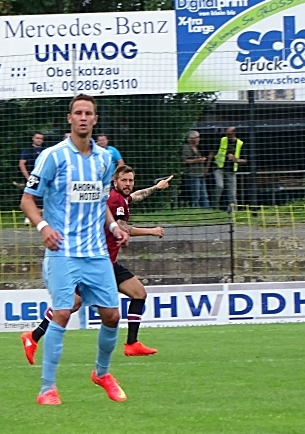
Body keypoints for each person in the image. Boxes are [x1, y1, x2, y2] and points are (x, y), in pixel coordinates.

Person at [20, 94, 129, 406]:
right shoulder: (53, 157)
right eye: (78, 112)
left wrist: (113, 227)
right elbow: (27, 200)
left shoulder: (105, 159)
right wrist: (43, 227)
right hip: (63, 251)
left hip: (95, 252)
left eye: (89, 113)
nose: (83, 117)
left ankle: (102, 373)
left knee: (111, 315)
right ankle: (47, 389)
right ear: (70, 119)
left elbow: (100, 202)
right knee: (64, 313)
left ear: (95, 120)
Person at [21, 166, 171, 362]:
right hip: (96, 264)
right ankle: (32, 337)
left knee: (139, 293)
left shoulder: (120, 197)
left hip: (108, 263)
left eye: (131, 180)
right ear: (115, 182)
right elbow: (122, 227)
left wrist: (156, 187)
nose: (128, 184)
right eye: (124, 181)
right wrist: (151, 231)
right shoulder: (115, 200)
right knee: (72, 304)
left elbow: (135, 197)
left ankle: (132, 344)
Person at [212, 126, 245, 209]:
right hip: (219, 167)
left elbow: (245, 160)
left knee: (232, 193)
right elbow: (212, 153)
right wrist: (208, 166)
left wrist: (236, 160)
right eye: (226, 133)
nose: (227, 135)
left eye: (229, 134)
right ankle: (214, 206)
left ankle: (234, 211)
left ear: (234, 133)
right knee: (219, 186)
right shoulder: (222, 140)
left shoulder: (240, 144)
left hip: (231, 170)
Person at [181, 130, 209, 208]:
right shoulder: (186, 147)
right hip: (192, 174)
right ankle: (195, 208)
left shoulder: (197, 148)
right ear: (191, 139)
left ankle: (207, 210)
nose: (198, 139)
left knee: (204, 194)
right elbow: (184, 161)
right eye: (197, 137)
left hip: (200, 174)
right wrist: (198, 160)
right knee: (195, 195)